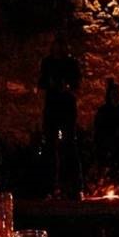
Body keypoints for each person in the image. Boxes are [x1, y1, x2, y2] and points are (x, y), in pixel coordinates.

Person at [37, 37, 81, 198]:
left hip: (67, 107)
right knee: (50, 147)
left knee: (69, 146)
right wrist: (51, 85)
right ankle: (50, 186)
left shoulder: (71, 63)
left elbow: (76, 84)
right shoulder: (47, 63)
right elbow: (42, 83)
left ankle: (72, 187)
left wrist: (66, 88)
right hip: (52, 108)